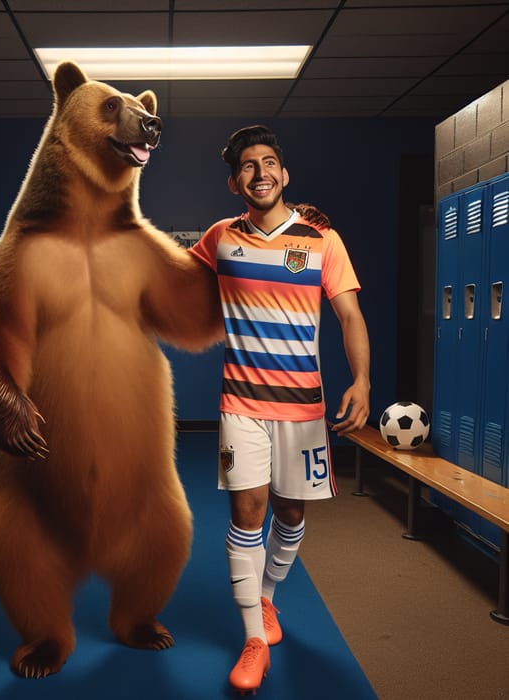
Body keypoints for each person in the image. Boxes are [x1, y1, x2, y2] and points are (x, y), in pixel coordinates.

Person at [188, 125, 370, 694]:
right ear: (234, 180)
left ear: (284, 174)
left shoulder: (321, 237)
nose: (260, 171)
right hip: (241, 402)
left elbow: (348, 315)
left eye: (269, 162)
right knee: (248, 513)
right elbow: (170, 282)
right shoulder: (220, 236)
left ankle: (267, 601)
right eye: (247, 165)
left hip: (303, 408)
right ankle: (252, 640)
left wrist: (363, 380)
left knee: (290, 514)